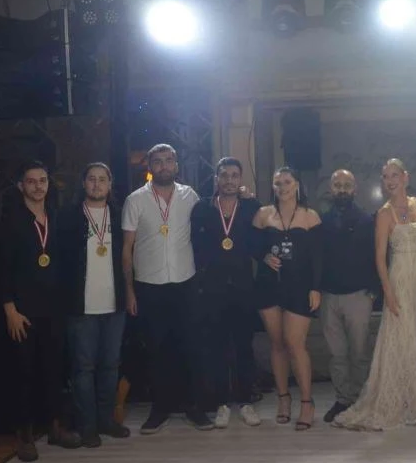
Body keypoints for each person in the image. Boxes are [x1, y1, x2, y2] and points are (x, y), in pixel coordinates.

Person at [333, 159, 416, 430]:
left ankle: (415, 398)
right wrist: (387, 292)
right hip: (399, 279)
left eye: (394, 175)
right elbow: (379, 257)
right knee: (400, 337)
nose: (390, 181)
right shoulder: (384, 214)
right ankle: (393, 399)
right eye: (386, 177)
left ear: (405, 177)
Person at [0, 161, 81, 462]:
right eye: (31, 181)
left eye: (42, 181)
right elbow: (0, 271)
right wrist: (10, 310)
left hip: (53, 311)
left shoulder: (55, 217)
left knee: (54, 371)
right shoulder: (10, 222)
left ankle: (55, 427)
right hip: (23, 313)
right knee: (24, 373)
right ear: (21, 186)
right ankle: (25, 435)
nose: (38, 186)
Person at [122, 144, 214, 434]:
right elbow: (126, 249)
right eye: (158, 162)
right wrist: (129, 291)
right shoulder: (135, 200)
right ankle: (159, 409)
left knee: (191, 347)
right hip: (149, 286)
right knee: (156, 351)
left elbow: (207, 230)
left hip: (185, 283)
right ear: (150, 166)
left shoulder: (191, 196)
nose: (163, 166)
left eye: (168, 160)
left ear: (176, 165)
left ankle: (194, 407)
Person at [57, 163, 131, 447]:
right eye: (91, 179)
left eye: (102, 179)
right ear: (83, 183)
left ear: (110, 184)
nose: (97, 184)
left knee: (110, 366)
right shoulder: (68, 217)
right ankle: (87, 426)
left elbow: (128, 256)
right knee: (83, 369)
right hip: (81, 306)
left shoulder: (119, 215)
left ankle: (106, 420)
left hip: (114, 303)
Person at [190, 157, 262, 429]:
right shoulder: (202, 208)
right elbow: (195, 246)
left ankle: (245, 401)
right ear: (216, 179)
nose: (229, 180)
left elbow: (260, 241)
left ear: (240, 179)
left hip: (243, 287)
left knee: (244, 346)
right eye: (224, 175)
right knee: (217, 347)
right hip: (213, 289)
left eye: (234, 175)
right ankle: (221, 403)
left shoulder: (252, 207)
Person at [252, 166, 322, 431]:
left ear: (297, 184)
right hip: (268, 286)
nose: (282, 187)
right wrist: (263, 256)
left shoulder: (310, 216)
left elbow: (318, 258)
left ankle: (306, 402)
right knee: (277, 343)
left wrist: (315, 288)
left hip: (299, 288)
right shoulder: (263, 214)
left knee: (295, 344)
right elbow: (251, 246)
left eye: (287, 182)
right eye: (278, 183)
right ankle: (283, 399)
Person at [320, 169, 378, 423]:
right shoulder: (321, 221)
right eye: (337, 185)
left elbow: (378, 255)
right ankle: (343, 399)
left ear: (355, 189)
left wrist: (374, 291)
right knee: (337, 355)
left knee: (359, 353)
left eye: (347, 185)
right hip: (328, 297)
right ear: (330, 189)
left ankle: (362, 400)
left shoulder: (367, 220)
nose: (342, 190)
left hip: (359, 295)